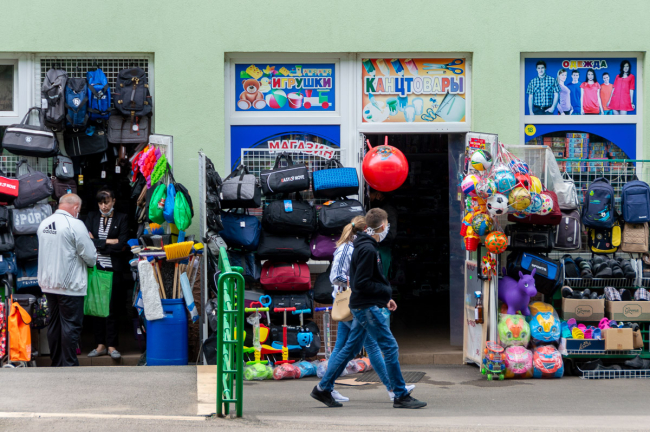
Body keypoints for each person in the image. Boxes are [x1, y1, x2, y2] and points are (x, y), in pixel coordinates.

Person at [311, 209, 426, 409]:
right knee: (389, 347)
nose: (387, 228)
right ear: (382, 226)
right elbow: (361, 283)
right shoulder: (368, 250)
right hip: (366, 307)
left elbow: (364, 280)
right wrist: (384, 292)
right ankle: (400, 394)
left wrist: (384, 297)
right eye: (387, 224)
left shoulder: (364, 246)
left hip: (362, 305)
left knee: (350, 349)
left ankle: (323, 388)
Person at [37, 194, 97, 367]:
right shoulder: (75, 224)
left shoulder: (44, 223)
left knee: (54, 324)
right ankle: (69, 365)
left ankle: (57, 363)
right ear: (76, 207)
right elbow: (90, 256)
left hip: (48, 284)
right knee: (70, 326)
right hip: (69, 285)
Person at [84, 188, 130, 360]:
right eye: (101, 203)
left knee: (112, 309)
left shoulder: (122, 218)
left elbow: (122, 244)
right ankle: (100, 345)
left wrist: (99, 243)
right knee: (97, 307)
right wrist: (110, 241)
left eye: (107, 202)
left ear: (114, 201)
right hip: (96, 269)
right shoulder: (91, 217)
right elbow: (87, 241)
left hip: (113, 270)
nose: (104, 206)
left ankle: (111, 346)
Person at [369, 188, 397, 278]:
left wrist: (373, 237)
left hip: (382, 252)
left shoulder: (388, 211)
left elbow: (391, 235)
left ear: (378, 195)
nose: (368, 197)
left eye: (370, 194)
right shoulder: (375, 208)